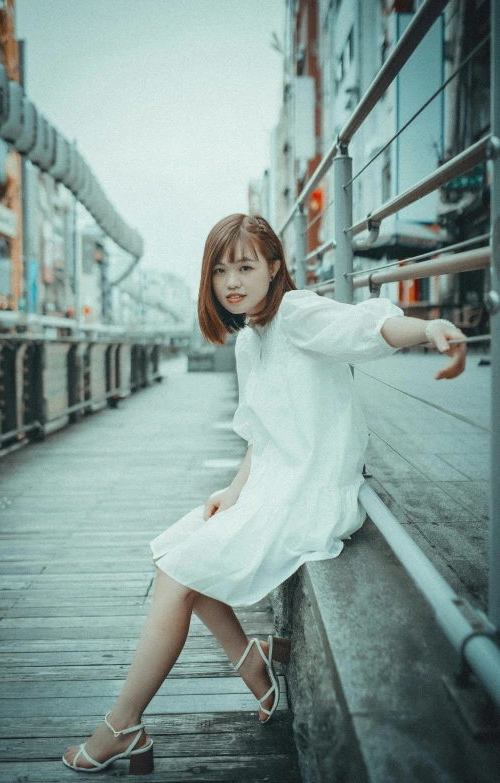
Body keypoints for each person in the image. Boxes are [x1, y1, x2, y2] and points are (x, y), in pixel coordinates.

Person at [62, 214, 467, 773]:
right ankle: (249, 662)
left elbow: (365, 328)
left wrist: (429, 329)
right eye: (221, 270)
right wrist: (232, 491)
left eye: (246, 266)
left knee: (179, 572)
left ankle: (122, 724)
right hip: (273, 484)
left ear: (275, 267)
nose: (232, 281)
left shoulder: (297, 315)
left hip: (312, 491)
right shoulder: (250, 338)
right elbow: (261, 431)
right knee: (175, 555)